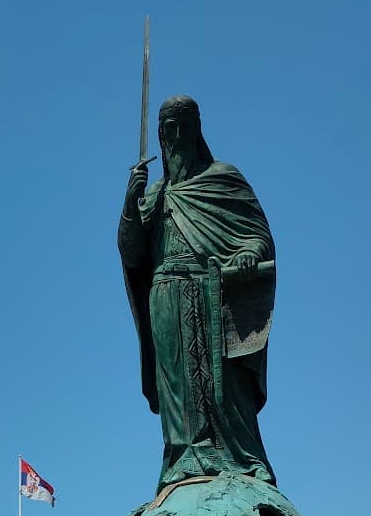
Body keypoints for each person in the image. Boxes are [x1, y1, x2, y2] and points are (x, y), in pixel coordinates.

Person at [119, 95, 278, 489]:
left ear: (196, 130)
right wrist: (130, 200)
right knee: (177, 381)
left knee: (226, 383)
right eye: (166, 130)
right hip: (166, 295)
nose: (174, 137)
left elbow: (257, 235)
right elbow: (132, 251)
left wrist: (247, 254)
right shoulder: (153, 195)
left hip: (212, 291)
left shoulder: (222, 178)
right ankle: (181, 460)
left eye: (181, 127)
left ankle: (242, 458)